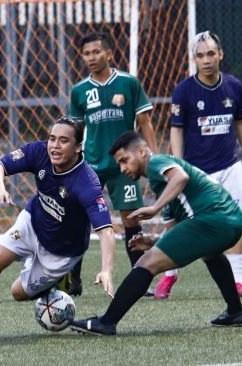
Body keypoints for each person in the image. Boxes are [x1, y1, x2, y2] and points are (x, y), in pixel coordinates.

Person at [0, 116, 116, 341]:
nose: (55, 146)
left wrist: (106, 269)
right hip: (32, 222)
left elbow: (106, 230)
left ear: (78, 147)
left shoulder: (87, 183)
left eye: (63, 141)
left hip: (61, 252)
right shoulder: (39, 152)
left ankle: (58, 280)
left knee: (17, 293)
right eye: (52, 138)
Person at [70, 132, 242, 335]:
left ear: (141, 151)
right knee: (210, 253)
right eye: (119, 164)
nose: (122, 169)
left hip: (212, 219)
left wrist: (154, 208)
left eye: (124, 160)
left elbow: (181, 177)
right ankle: (235, 312)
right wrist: (152, 242)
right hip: (230, 221)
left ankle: (106, 322)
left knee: (146, 263)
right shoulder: (161, 184)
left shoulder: (156, 162)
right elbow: (174, 231)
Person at [155, 30, 242, 298]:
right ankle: (168, 277)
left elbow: (241, 122)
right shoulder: (184, 90)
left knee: (234, 222)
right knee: (175, 223)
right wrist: (177, 164)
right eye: (200, 55)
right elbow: (176, 129)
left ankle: (237, 282)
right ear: (194, 59)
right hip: (196, 171)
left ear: (220, 55)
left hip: (229, 166)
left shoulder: (234, 86)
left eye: (211, 53)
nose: (206, 60)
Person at [67, 31, 158, 296]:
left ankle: (138, 279)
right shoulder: (79, 91)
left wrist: (152, 160)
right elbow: (75, 131)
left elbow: (145, 123)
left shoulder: (128, 83)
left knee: (131, 220)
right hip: (91, 165)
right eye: (86, 53)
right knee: (80, 220)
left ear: (109, 53)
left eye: (96, 52)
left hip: (124, 165)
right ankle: (74, 279)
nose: (91, 57)